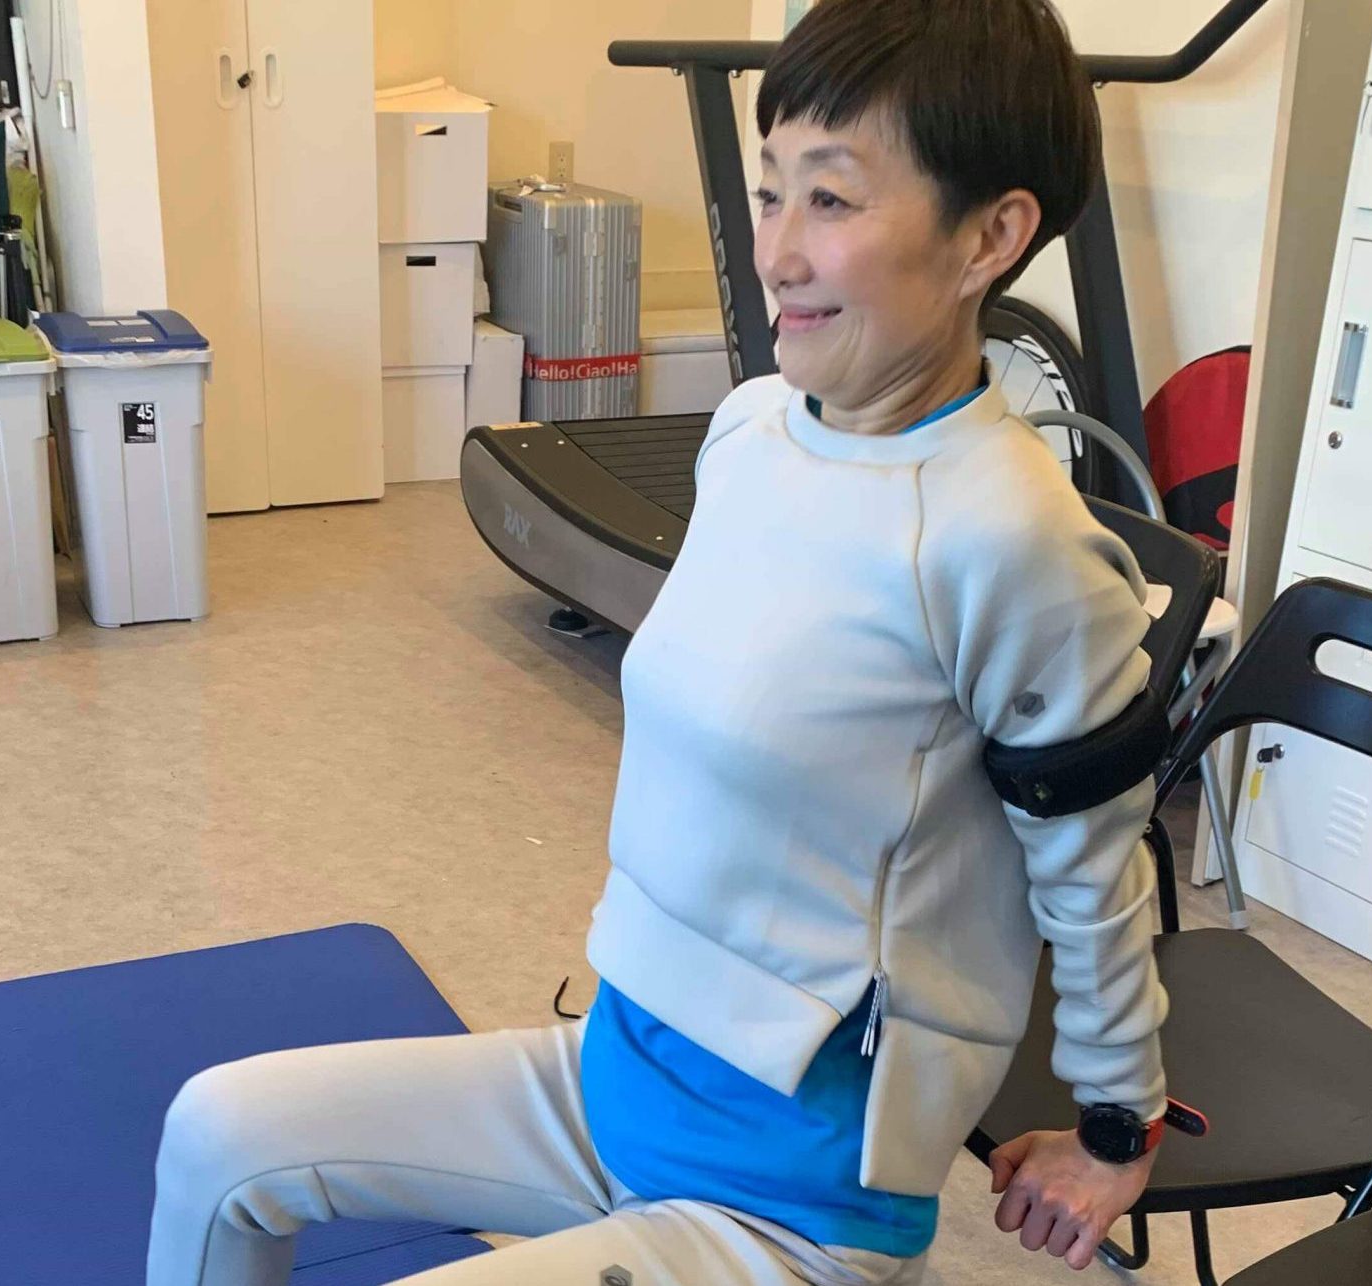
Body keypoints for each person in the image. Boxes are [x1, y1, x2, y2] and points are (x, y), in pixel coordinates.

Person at [147, 1, 1170, 1282]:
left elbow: (1093, 867)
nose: (777, 252)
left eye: (832, 200)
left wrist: (1115, 1124)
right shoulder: (750, 429)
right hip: (615, 1082)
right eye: (770, 191)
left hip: (784, 1203)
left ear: (990, 236)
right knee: (220, 1133)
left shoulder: (1014, 542)